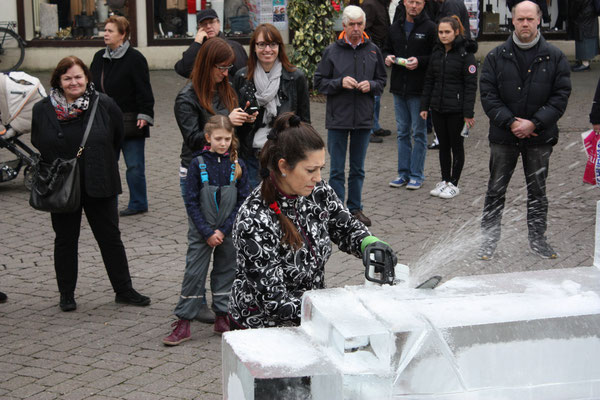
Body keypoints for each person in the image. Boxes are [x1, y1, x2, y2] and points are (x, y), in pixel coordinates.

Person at [227, 113, 397, 329]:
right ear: (283, 166)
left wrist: (368, 243)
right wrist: (341, 310)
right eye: (310, 170)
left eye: (320, 169)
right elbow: (274, 301)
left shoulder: (318, 192)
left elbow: (346, 227)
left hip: (310, 317)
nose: (318, 178)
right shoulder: (254, 219)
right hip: (261, 330)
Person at [31, 56, 151, 311]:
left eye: (78, 77)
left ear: (86, 78)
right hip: (63, 184)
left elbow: (117, 136)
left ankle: (124, 290)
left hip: (100, 181)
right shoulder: (43, 109)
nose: (74, 82)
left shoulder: (104, 104)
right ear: (58, 81)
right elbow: (38, 139)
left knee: (110, 238)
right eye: (67, 78)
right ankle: (66, 294)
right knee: (65, 240)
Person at [172, 38, 255, 330]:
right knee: (201, 238)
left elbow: (232, 139)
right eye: (222, 67)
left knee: (227, 241)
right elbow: (195, 140)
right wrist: (225, 123)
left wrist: (246, 120)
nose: (227, 72)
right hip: (197, 172)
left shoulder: (226, 88)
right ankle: (192, 305)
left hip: (228, 170)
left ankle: (222, 307)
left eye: (229, 67)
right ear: (209, 65)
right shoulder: (186, 97)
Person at [478, 1, 571, 260]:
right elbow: (488, 95)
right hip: (503, 136)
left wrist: (535, 123)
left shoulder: (556, 56)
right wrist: (511, 122)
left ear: (539, 20)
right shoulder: (496, 56)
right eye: (520, 19)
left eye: (530, 19)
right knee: (495, 191)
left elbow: (561, 96)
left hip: (540, 137)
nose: (525, 24)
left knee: (538, 192)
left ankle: (538, 240)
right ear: (513, 20)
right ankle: (488, 242)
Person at [163, 115, 249, 344]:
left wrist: (223, 230)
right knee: (194, 272)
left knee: (226, 271)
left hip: (228, 230)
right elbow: (191, 201)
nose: (223, 143)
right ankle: (184, 322)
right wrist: (207, 232)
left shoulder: (238, 165)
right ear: (208, 138)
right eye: (218, 139)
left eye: (227, 139)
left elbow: (243, 201)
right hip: (202, 229)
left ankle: (223, 316)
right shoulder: (197, 163)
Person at [314, 5, 387, 227]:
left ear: (364, 25)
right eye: (351, 24)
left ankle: (355, 208)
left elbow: (382, 81)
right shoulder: (332, 51)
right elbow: (318, 82)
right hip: (338, 119)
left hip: (363, 119)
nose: (356, 28)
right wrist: (339, 82)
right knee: (336, 169)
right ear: (344, 26)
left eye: (359, 24)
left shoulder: (373, 50)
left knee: (358, 168)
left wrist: (372, 85)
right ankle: (337, 211)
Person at [90, 16, 155, 217]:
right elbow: (90, 87)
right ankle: (109, 204)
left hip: (131, 120)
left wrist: (145, 114)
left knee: (134, 166)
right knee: (108, 165)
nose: (105, 34)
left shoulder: (135, 58)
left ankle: (138, 203)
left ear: (123, 34)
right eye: (105, 30)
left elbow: (144, 90)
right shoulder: (99, 57)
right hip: (105, 121)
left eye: (110, 31)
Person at [233, 23, 310, 188]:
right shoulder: (242, 77)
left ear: (279, 47)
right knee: (254, 208)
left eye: (272, 44)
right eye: (262, 44)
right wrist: (244, 119)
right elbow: (236, 124)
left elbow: (305, 121)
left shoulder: (296, 78)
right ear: (254, 47)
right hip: (252, 157)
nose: (267, 49)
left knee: (283, 208)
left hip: (284, 156)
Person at [420, 16, 477, 199]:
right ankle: (444, 180)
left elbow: (470, 86)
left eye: (447, 32)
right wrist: (425, 105)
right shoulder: (436, 53)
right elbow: (429, 80)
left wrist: (468, 113)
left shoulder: (465, 55)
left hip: (457, 110)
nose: (443, 36)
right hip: (438, 108)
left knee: (456, 145)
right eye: (440, 32)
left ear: (456, 32)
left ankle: (454, 183)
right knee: (443, 145)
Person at [383, 0, 437, 190]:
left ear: (424, 4)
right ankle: (403, 173)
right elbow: (386, 49)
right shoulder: (395, 27)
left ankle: (416, 174)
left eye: (419, 2)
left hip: (419, 89)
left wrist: (420, 62)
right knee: (402, 133)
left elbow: (436, 57)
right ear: (404, 2)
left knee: (419, 133)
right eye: (411, 1)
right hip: (398, 88)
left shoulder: (431, 28)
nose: (414, 6)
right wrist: (387, 58)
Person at [174, 9, 248, 79]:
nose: (208, 26)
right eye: (204, 24)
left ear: (218, 23)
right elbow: (183, 70)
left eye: (211, 22)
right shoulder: (197, 49)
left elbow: (243, 73)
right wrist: (197, 43)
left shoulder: (235, 46)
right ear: (199, 28)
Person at [360, 0, 393, 144]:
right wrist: (371, 48)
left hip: (379, 51)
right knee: (373, 93)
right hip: (371, 52)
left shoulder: (383, 4)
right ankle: (369, 130)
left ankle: (375, 125)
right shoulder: (370, 4)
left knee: (378, 91)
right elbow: (364, 29)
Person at [567, 0, 599, 72]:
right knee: (583, 38)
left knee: (583, 39)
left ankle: (585, 64)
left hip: (584, 14)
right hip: (589, 14)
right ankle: (582, 62)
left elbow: (577, 3)